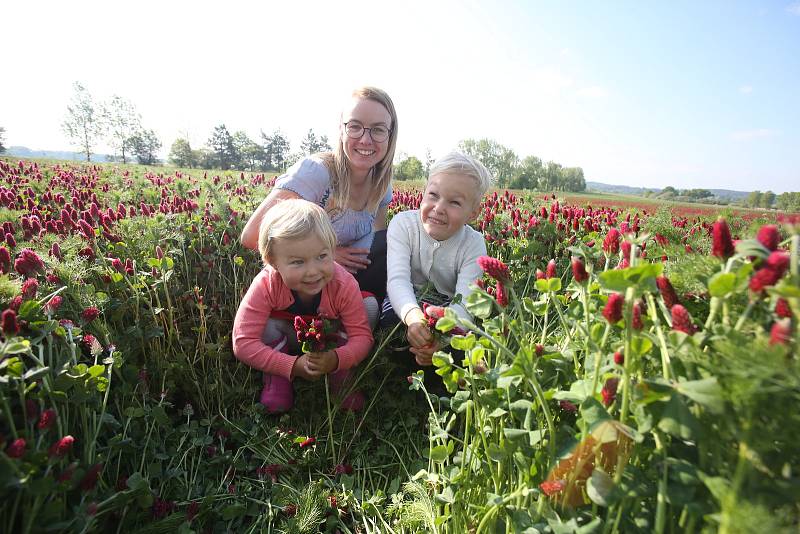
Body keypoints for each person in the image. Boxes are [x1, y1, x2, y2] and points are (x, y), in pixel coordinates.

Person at [240, 86, 398, 326]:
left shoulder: (381, 185)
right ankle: (301, 325)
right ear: (341, 130)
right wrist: (326, 257)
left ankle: (370, 326)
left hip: (346, 282)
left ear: (390, 135)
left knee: (392, 242)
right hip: (304, 278)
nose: (365, 139)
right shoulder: (317, 172)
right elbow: (252, 236)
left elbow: (374, 243)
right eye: (355, 126)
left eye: (378, 130)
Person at [232, 199, 374, 414]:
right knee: (265, 325)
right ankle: (278, 377)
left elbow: (362, 338)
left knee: (370, 307)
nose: (313, 271)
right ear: (272, 261)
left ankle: (341, 375)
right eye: (298, 262)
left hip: (331, 338)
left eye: (322, 256)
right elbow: (243, 342)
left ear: (333, 249)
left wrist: (336, 360)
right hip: (289, 338)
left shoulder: (343, 283)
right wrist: (291, 366)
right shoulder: (266, 284)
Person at [383, 151, 492, 370]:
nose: (439, 207)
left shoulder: (474, 243)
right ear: (423, 194)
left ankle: (439, 370)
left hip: (448, 306)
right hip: (409, 298)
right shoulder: (403, 225)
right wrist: (413, 318)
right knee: (389, 325)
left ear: (473, 213)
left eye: (454, 202)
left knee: (465, 342)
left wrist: (441, 340)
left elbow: (465, 304)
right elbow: (397, 281)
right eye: (433, 195)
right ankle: (401, 368)